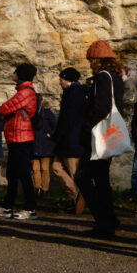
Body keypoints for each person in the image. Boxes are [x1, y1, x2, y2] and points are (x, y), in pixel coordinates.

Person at [74, 40, 125, 237]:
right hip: (108, 134)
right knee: (101, 179)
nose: (89, 63)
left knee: (83, 177)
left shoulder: (103, 77)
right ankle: (109, 220)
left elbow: (101, 108)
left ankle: (104, 222)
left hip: (98, 135)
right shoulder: (115, 77)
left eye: (90, 60)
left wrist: (87, 128)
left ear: (97, 59)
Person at [0, 63, 39, 220]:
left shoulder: (25, 92)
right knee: (12, 174)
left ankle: (30, 208)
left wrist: (6, 111)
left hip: (21, 138)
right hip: (16, 137)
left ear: (21, 75)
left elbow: (4, 108)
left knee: (24, 174)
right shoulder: (23, 91)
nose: (13, 73)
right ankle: (7, 207)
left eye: (16, 72)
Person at [52, 67, 87, 214]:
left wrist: (58, 135)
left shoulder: (75, 94)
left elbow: (69, 120)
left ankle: (79, 204)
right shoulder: (71, 93)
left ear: (67, 80)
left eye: (61, 79)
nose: (60, 82)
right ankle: (76, 195)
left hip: (72, 141)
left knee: (74, 173)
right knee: (56, 168)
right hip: (65, 141)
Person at [31, 95, 57, 197]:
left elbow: (55, 126)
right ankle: (37, 188)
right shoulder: (30, 113)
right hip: (34, 144)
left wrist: (50, 134)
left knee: (45, 168)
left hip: (45, 144)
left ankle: (45, 189)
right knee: (35, 168)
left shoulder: (47, 113)